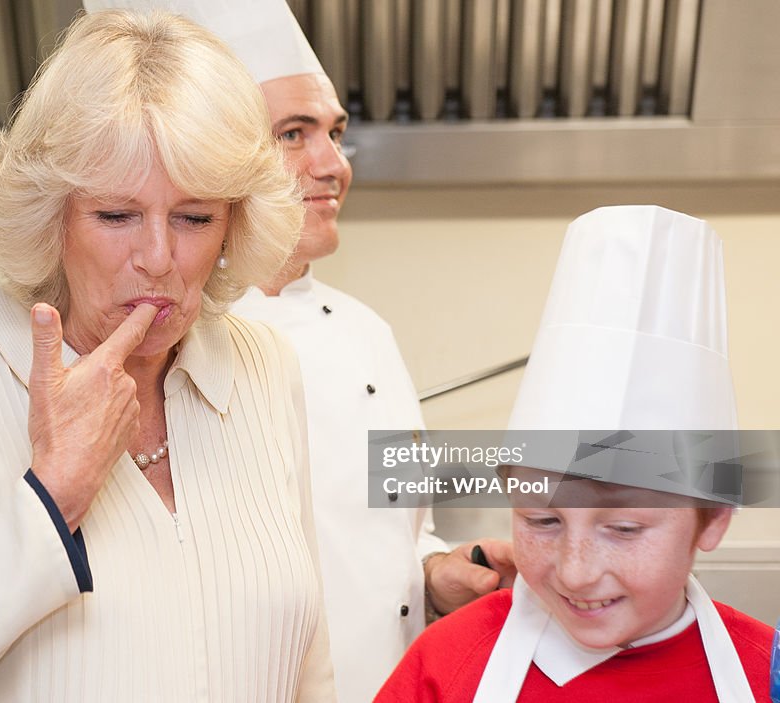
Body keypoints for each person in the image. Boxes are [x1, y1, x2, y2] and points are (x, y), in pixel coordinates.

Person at [0, 11, 336, 702]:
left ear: (235, 222)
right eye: (116, 215)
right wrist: (48, 498)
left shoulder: (266, 367)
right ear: (53, 213)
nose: (157, 258)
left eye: (194, 217)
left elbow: (311, 675)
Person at [81, 2, 516, 700]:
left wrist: (438, 572)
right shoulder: (166, 344)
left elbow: (400, 533)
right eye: (294, 134)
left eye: (335, 133)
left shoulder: (370, 333)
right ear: (211, 155)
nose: (334, 165)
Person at [375, 206, 774, 702]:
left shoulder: (765, 674)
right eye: (542, 521)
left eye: (624, 528)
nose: (574, 572)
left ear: (712, 518)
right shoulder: (448, 663)